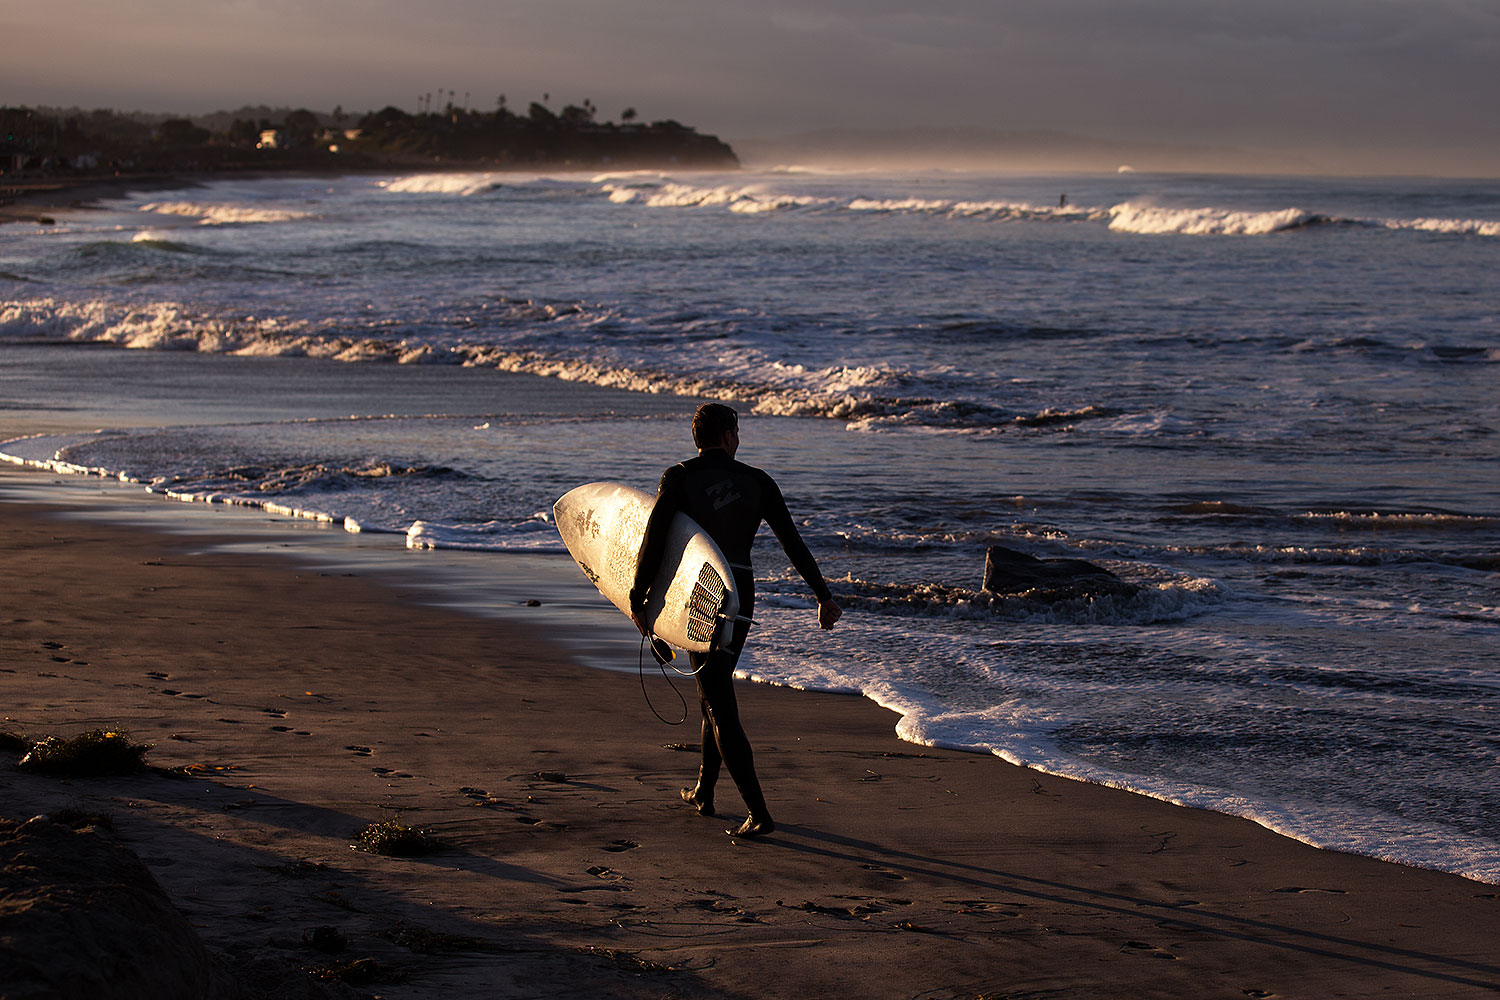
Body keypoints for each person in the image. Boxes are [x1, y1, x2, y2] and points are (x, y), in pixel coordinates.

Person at [630, 403, 842, 838]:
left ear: (698, 438)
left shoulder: (679, 477)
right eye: (737, 431)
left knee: (717, 700)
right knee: (715, 688)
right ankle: (705, 793)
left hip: (700, 592)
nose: (738, 437)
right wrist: (823, 596)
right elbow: (793, 544)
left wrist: (639, 595)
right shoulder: (758, 482)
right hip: (741, 592)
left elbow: (654, 542)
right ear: (727, 436)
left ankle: (758, 811)